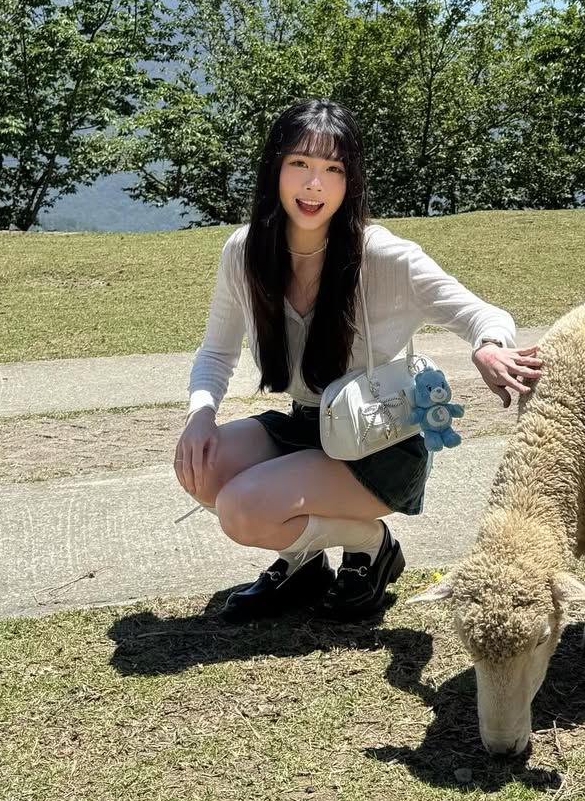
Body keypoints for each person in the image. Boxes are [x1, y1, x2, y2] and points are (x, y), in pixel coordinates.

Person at [173, 98, 543, 623]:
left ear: (351, 180)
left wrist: (488, 346)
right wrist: (200, 415)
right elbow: (216, 351)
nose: (314, 185)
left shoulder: (385, 256)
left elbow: (483, 314)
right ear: (275, 167)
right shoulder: (245, 252)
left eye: (334, 169)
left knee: (242, 509)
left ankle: (371, 546)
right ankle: (303, 563)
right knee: (199, 467)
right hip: (307, 425)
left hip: (376, 445)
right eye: (300, 163)